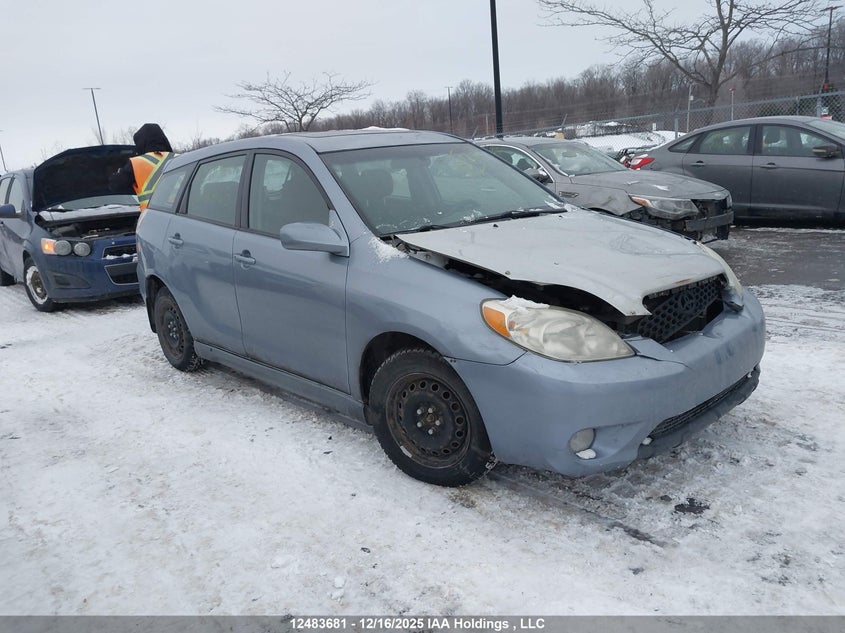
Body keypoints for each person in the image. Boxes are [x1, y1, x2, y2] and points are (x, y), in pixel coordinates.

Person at [110, 123, 174, 210]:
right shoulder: (181, 159)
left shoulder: (137, 163)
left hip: (153, 216)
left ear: (141, 142)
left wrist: (117, 173)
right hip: (188, 216)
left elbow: (116, 185)